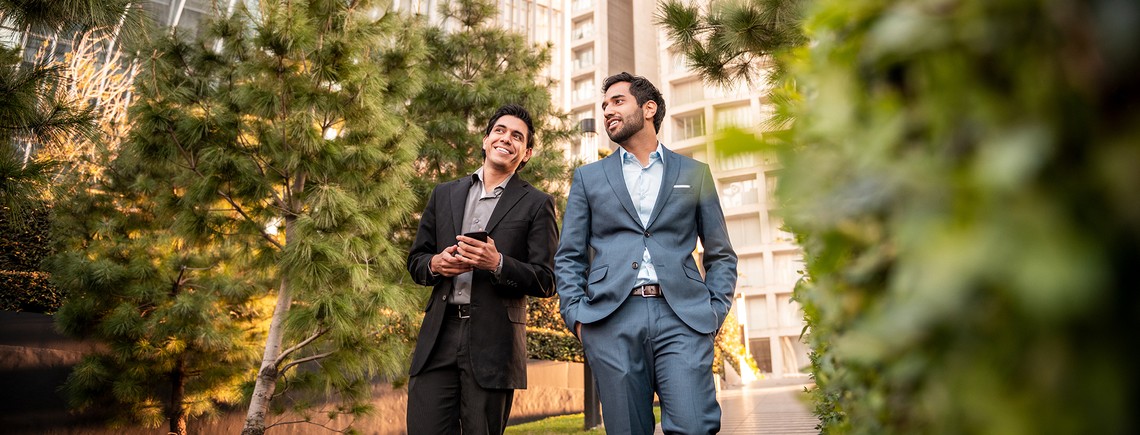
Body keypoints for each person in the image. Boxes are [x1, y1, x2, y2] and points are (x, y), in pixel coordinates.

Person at [555, 72, 738, 434]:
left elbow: (720, 254)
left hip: (683, 317)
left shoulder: (694, 173)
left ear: (649, 108)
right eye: (604, 105)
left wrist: (714, 312)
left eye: (617, 101)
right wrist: (578, 317)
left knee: (694, 426)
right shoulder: (588, 178)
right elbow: (569, 256)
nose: (608, 110)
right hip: (610, 320)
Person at [406, 104, 559, 434]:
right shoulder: (444, 194)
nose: (507, 139)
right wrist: (436, 263)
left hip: (494, 345)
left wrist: (497, 263)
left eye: (517, 136)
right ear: (486, 139)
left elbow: (547, 280)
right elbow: (416, 262)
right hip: (438, 338)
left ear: (527, 153)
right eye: (500, 131)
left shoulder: (537, 203)